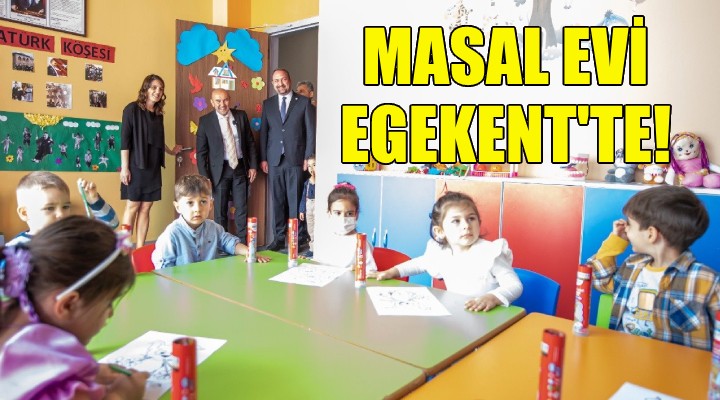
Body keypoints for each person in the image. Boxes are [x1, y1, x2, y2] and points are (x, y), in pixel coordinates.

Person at [0, 216, 148, 399]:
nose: (110, 314)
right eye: (108, 303)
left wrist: (90, 372)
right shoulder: (36, 363)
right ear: (68, 304)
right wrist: (122, 395)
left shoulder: (10, 319)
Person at [587, 185, 718, 350]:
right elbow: (598, 279)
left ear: (651, 234)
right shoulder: (632, 267)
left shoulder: (706, 281)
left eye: (629, 224)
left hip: (673, 364)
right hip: (622, 356)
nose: (625, 228)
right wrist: (615, 241)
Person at [371, 192, 523, 312]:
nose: (466, 225)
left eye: (471, 218)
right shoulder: (441, 252)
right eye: (456, 221)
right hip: (459, 315)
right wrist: (391, 272)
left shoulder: (489, 253)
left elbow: (515, 285)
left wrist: (493, 298)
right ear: (440, 231)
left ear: (479, 222)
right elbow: (419, 263)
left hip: (489, 318)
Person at [152, 175, 270, 269]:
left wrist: (249, 252)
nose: (197, 209)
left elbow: (230, 243)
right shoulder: (171, 234)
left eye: (203, 202)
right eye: (190, 203)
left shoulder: (214, 228)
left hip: (209, 283)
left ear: (211, 204)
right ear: (178, 207)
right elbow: (164, 269)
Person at [120, 74, 181, 247]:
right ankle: (124, 249)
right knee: (132, 207)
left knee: (146, 208)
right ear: (146, 89)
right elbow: (125, 141)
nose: (157, 91)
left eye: (161, 89)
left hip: (153, 166)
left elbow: (157, 140)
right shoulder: (131, 109)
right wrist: (125, 168)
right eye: (154, 87)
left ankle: (140, 248)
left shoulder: (158, 114)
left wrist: (171, 151)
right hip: (136, 166)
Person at [260, 69, 316, 251]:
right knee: (277, 201)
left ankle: (297, 238)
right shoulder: (268, 104)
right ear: (272, 83)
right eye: (276, 81)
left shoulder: (303, 102)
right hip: (274, 160)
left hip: (296, 159)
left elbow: (310, 132)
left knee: (295, 200)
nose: (280, 84)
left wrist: (308, 156)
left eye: (283, 79)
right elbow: (264, 133)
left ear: (289, 80)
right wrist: (263, 158)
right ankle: (278, 238)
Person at [196, 89, 258, 241]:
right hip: (219, 172)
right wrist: (205, 178)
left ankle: (243, 243)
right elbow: (201, 153)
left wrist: (253, 165)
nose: (222, 104)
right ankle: (222, 243)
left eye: (225, 100)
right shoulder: (205, 121)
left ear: (229, 100)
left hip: (240, 168)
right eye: (218, 101)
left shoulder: (241, 116)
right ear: (212, 102)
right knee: (220, 211)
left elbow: (250, 142)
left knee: (242, 208)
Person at [7, 171, 119, 247]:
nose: (61, 214)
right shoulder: (15, 249)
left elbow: (111, 224)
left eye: (65, 207)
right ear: (25, 213)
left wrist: (94, 200)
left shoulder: (73, 235)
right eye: (50, 208)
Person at [312, 183, 377, 271]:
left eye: (349, 213)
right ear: (329, 213)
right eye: (338, 213)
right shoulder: (326, 238)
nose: (343, 219)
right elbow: (317, 265)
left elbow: (371, 271)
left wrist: (357, 269)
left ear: (356, 215)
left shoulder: (360, 243)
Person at [298, 154, 316, 257]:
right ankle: (312, 248)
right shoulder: (307, 182)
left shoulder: (321, 182)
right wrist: (302, 210)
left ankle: (319, 248)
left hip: (317, 206)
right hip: (309, 206)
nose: (311, 168)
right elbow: (304, 197)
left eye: (314, 165)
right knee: (310, 228)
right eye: (309, 166)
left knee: (317, 228)